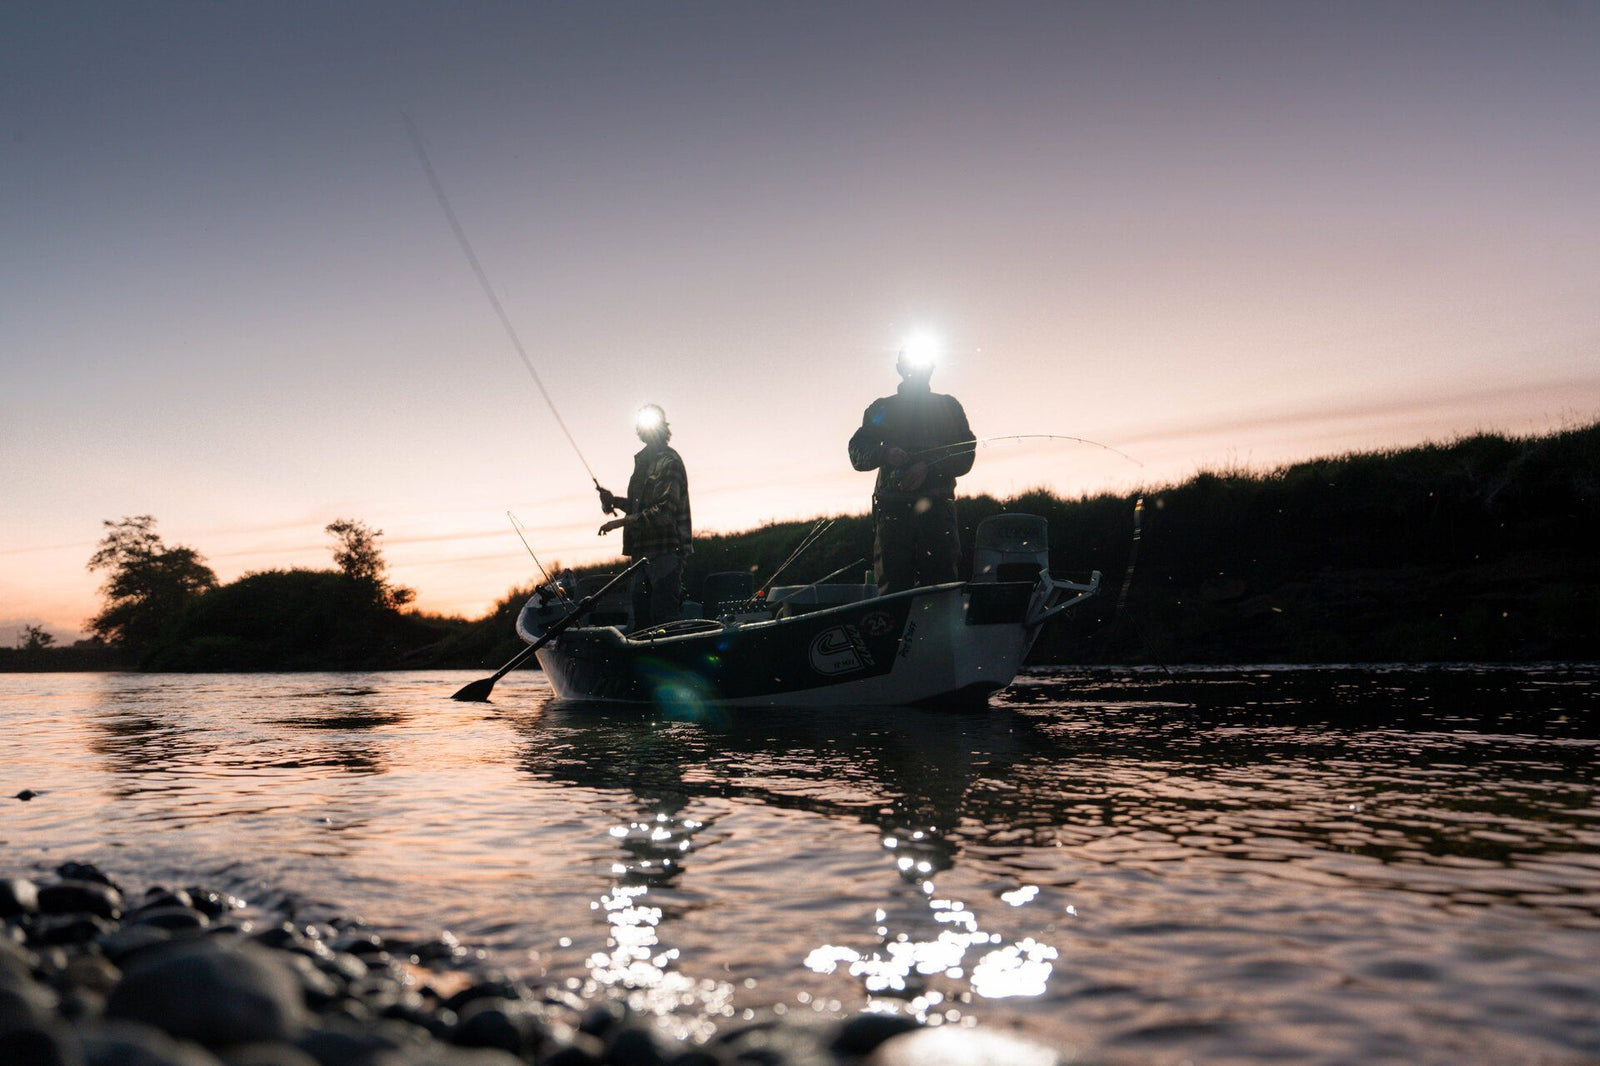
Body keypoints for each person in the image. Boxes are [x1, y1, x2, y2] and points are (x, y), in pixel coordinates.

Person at [848, 348, 974, 594]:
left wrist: (929, 466)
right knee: (893, 594)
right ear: (900, 369)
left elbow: (965, 456)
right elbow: (857, 450)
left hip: (937, 513)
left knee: (941, 590)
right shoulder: (882, 408)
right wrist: (884, 453)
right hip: (892, 515)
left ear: (931, 368)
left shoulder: (948, 406)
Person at [597, 404, 692, 626]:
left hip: (666, 552)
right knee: (641, 621)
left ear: (662, 428)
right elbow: (640, 507)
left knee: (664, 618)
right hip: (640, 554)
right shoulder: (643, 463)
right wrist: (615, 501)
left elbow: (665, 513)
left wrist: (620, 522)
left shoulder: (669, 462)